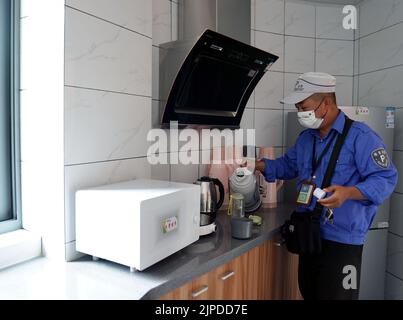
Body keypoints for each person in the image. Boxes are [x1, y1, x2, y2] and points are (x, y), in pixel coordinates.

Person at [254, 72, 398, 300]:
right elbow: (287, 166)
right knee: (309, 294)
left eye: (304, 107)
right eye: (299, 108)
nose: (300, 113)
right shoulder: (305, 139)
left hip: (342, 241)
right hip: (309, 235)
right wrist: (256, 165)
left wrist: (349, 193)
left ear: (326, 103)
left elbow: (386, 179)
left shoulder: (361, 137)